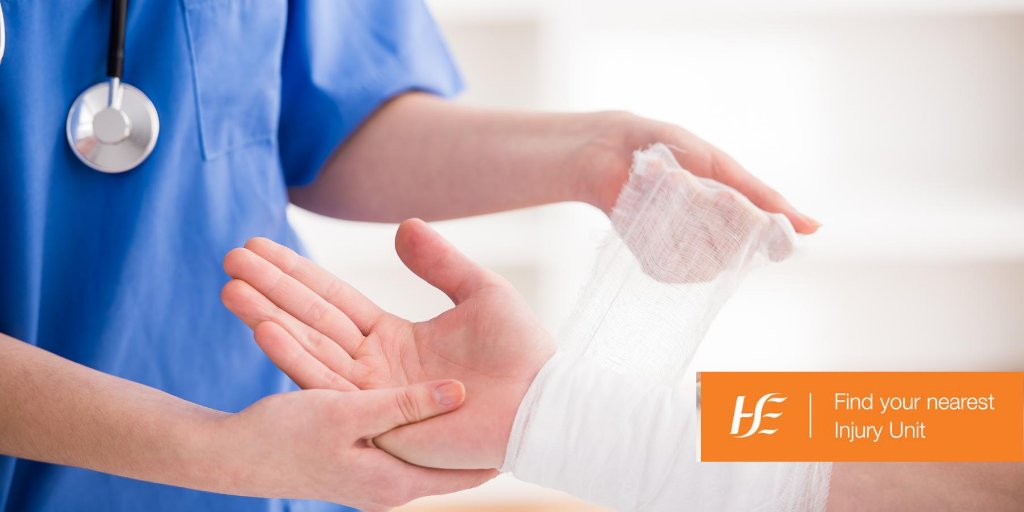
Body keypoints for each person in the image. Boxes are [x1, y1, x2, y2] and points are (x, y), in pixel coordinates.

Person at [0, 1, 817, 511]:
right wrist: (219, 451)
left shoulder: (945, 423)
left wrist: (593, 153)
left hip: (273, 460)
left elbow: (330, 115)